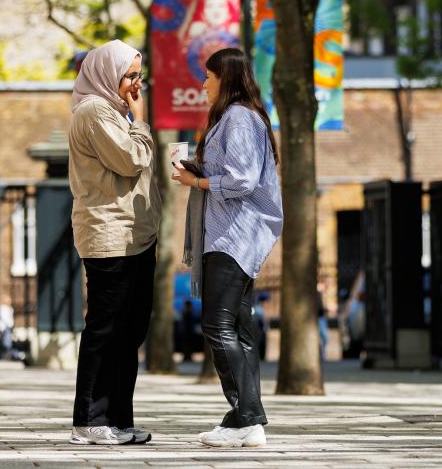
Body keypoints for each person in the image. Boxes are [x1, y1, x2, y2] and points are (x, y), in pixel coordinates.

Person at [173, 47, 282, 449]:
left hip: (234, 236)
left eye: (208, 77)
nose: (203, 84)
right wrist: (200, 171)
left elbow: (242, 181)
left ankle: (247, 418)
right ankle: (243, 419)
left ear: (226, 79)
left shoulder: (237, 118)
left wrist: (198, 183)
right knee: (238, 330)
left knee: (217, 326)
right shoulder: (236, 118)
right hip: (234, 234)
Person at [68, 39, 162, 446]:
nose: (136, 85)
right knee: (105, 330)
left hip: (135, 234)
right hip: (109, 235)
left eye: (139, 76)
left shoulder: (114, 111)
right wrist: (140, 122)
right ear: (108, 74)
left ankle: (119, 419)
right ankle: (89, 418)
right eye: (130, 76)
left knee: (130, 331)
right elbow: (130, 159)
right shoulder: (94, 112)